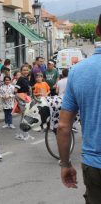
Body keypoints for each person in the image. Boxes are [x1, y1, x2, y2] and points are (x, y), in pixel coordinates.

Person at [57, 15, 101, 203]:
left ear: (98, 31)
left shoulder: (78, 71)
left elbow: (63, 127)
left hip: (95, 165)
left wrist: (65, 163)